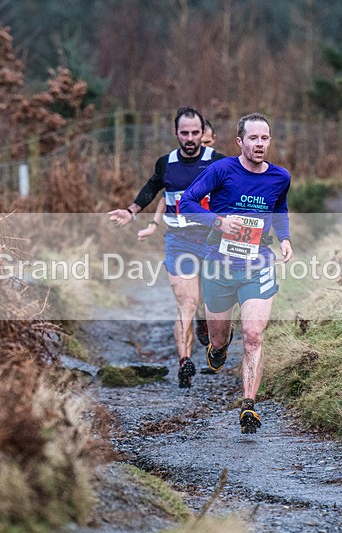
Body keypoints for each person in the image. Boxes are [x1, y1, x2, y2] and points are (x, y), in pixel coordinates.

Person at [179, 112, 293, 434]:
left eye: (265, 138)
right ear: (240, 141)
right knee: (217, 338)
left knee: (254, 336)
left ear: (270, 141)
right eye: (253, 138)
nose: (259, 144)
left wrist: (284, 239)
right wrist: (217, 221)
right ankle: (219, 344)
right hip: (218, 266)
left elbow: (280, 209)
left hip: (258, 266)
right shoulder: (221, 170)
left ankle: (248, 406)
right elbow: (186, 203)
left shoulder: (280, 177)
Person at [108, 107, 225, 388]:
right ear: (176, 134)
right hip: (179, 241)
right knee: (186, 302)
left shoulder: (218, 162)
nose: (190, 138)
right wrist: (132, 210)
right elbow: (152, 188)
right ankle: (184, 361)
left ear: (203, 134)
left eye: (195, 133)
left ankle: (206, 326)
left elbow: (237, 190)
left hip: (212, 243)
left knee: (212, 306)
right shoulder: (166, 163)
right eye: (184, 133)